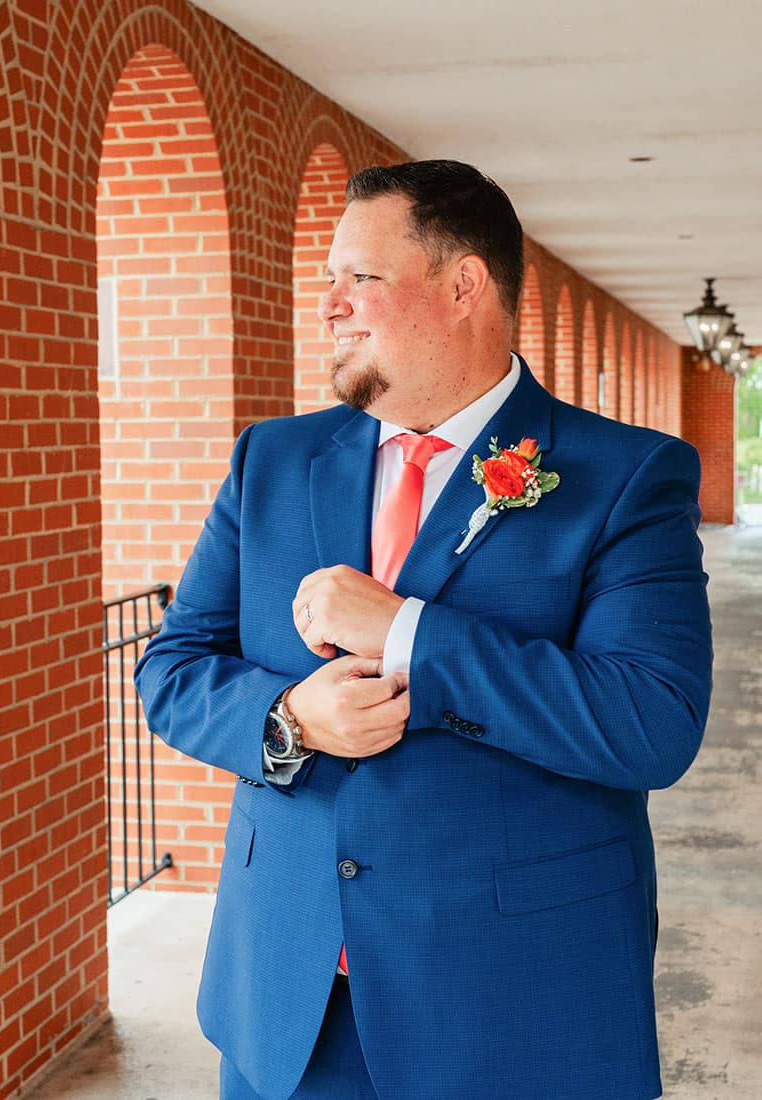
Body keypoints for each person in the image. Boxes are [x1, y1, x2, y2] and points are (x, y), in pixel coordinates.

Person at [134, 159, 712, 1100]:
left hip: (513, 998)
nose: (329, 305)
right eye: (328, 279)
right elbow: (173, 667)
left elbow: (650, 722)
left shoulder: (628, 476)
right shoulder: (270, 460)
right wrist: (287, 720)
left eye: (359, 278)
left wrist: (407, 632)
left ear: (463, 285)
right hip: (290, 993)